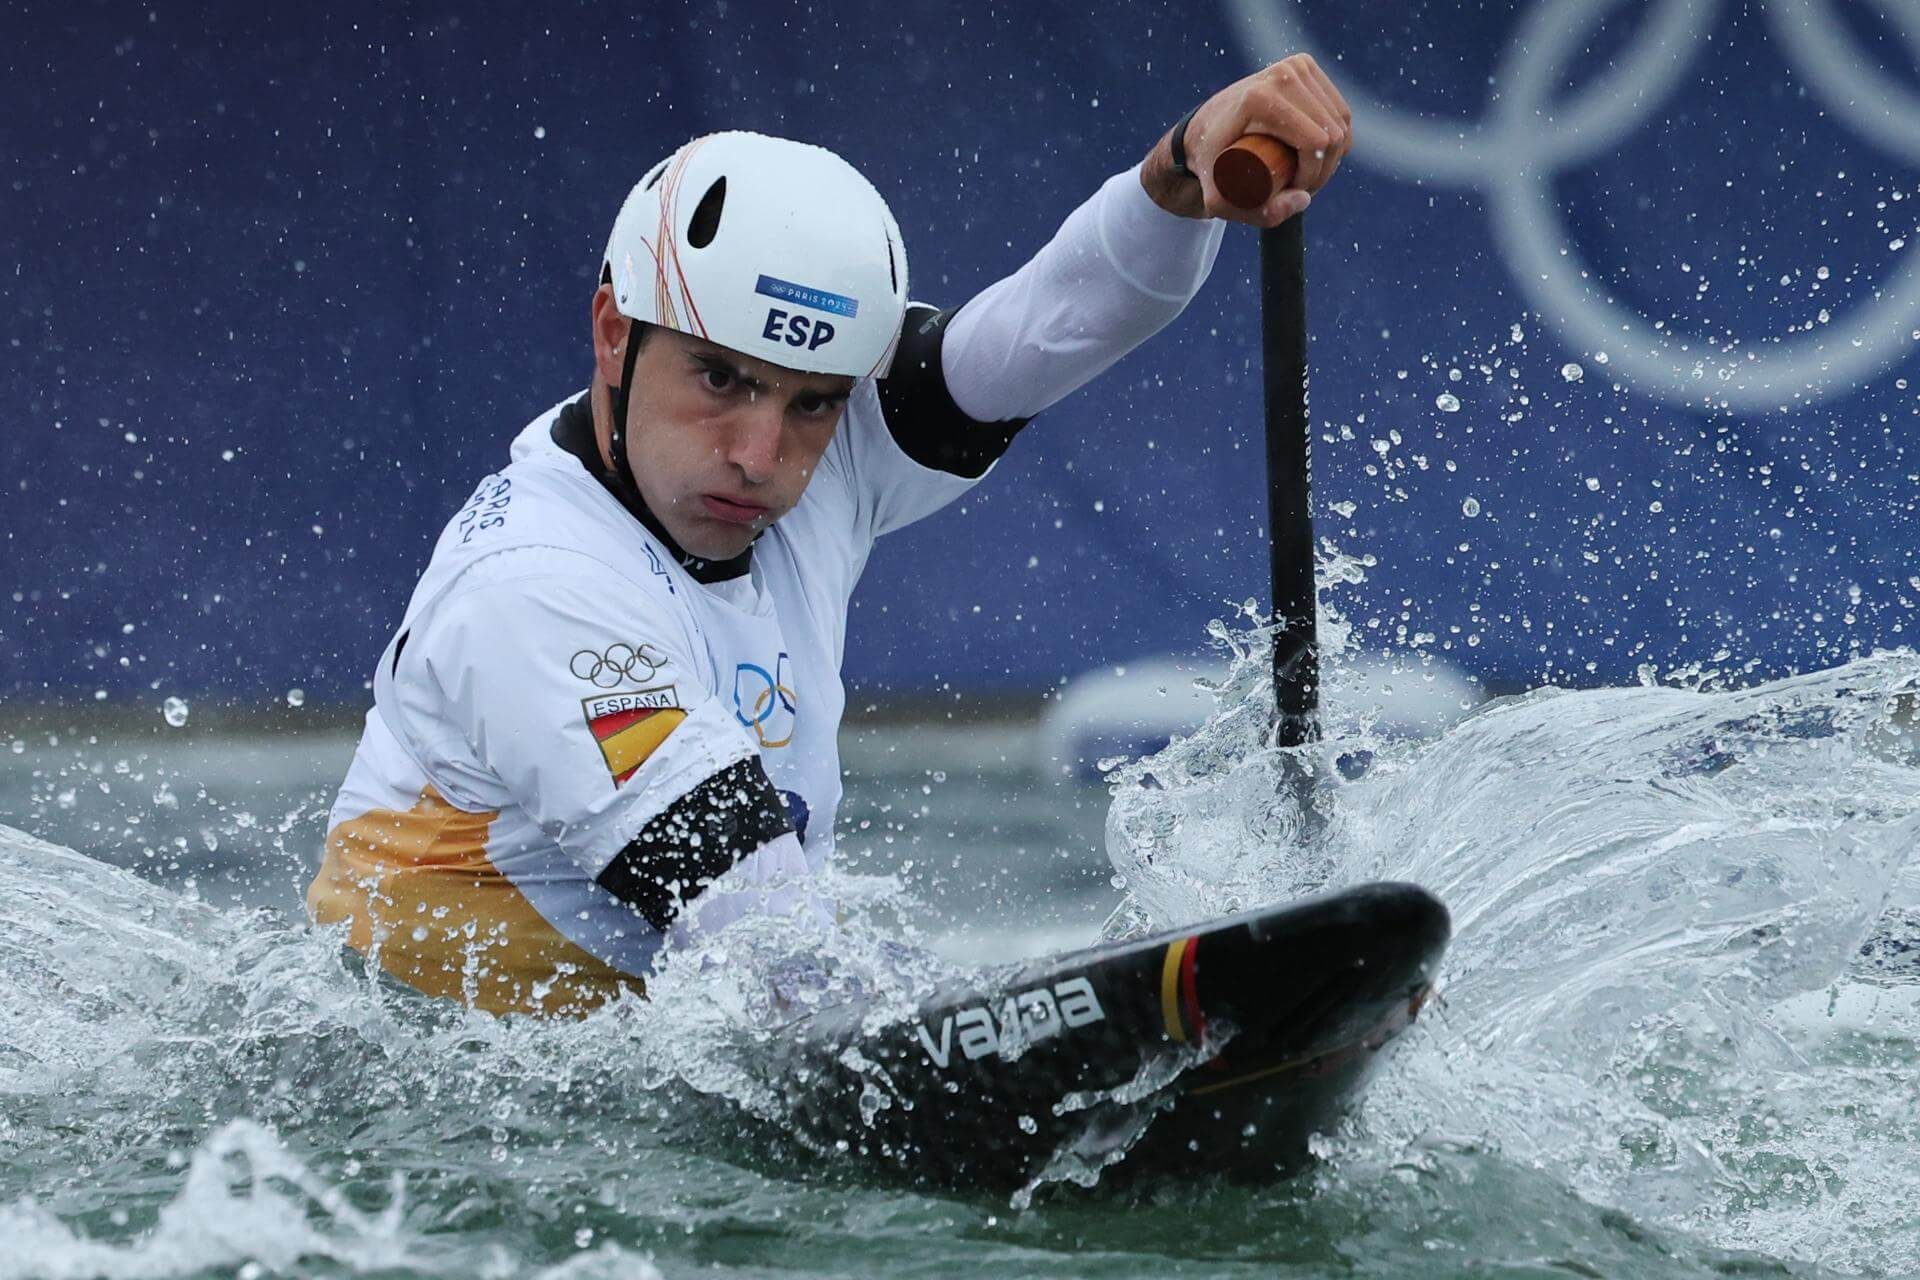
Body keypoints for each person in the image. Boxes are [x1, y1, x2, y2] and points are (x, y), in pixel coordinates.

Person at [306, 56, 1354, 1016]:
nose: (762, 456)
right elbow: (768, 952)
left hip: (637, 1046)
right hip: (425, 1091)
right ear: (615, 331)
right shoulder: (531, 589)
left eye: (812, 402)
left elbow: (1058, 319)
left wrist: (1179, 173)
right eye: (721, 379)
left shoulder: (824, 446)